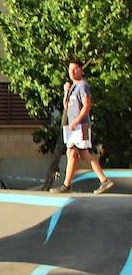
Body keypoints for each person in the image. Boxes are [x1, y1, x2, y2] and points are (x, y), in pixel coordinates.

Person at [60, 59, 115, 194]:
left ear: (81, 70)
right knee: (71, 153)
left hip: (81, 126)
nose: (72, 72)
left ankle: (104, 180)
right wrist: (65, 92)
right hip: (73, 127)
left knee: (83, 153)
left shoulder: (83, 86)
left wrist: (77, 121)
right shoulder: (72, 87)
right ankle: (66, 185)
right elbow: (66, 106)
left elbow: (87, 106)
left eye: (75, 69)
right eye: (70, 69)